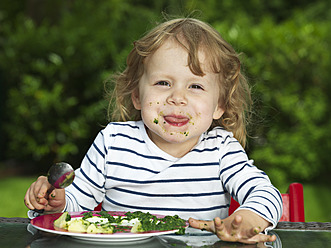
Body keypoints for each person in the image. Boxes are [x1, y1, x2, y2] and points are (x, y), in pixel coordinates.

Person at [24, 17, 282, 244]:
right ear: (137, 95)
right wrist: (54, 201)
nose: (177, 98)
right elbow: (73, 207)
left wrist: (248, 218)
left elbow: (266, 194)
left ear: (220, 105)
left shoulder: (221, 149)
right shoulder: (113, 142)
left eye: (195, 87)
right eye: (163, 82)